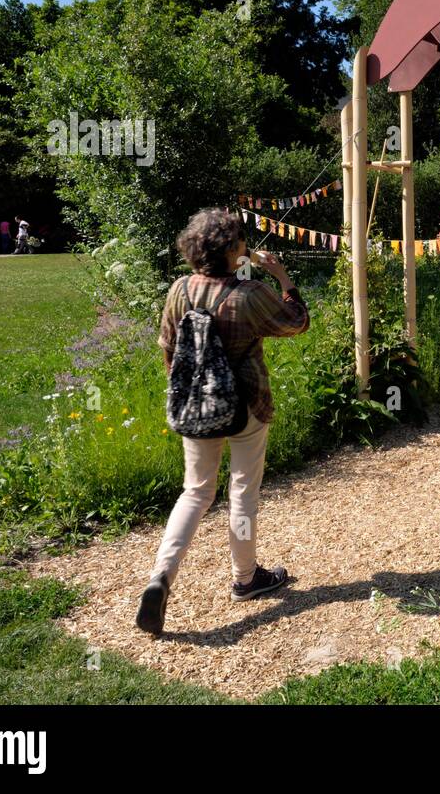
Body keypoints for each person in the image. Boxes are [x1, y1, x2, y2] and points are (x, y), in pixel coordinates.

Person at [135, 208, 310, 636]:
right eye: (240, 242)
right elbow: (297, 323)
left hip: (195, 406)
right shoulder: (249, 294)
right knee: (242, 493)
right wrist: (284, 279)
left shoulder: (179, 290)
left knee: (195, 492)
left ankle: (161, 577)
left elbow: (168, 349)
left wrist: (189, 394)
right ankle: (247, 579)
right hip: (246, 407)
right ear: (233, 250)